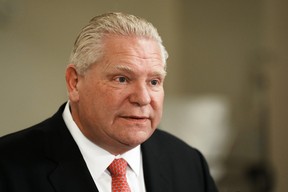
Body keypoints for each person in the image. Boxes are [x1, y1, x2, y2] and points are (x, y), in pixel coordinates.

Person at [0, 12, 218, 192]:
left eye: (153, 81)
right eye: (122, 79)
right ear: (74, 82)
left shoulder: (188, 163)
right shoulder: (7, 167)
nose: (142, 98)